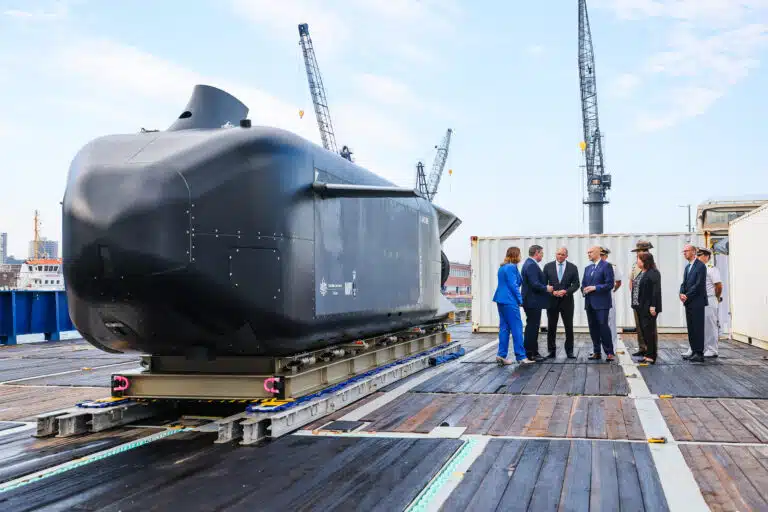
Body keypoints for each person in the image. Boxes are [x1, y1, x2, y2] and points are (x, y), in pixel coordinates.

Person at [492, 247, 534, 365]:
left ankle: (501, 355)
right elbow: (513, 285)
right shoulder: (511, 267)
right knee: (517, 328)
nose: (521, 256)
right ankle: (521, 356)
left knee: (504, 328)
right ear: (516, 255)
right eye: (519, 254)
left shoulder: (502, 267)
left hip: (501, 300)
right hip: (510, 301)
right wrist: (520, 300)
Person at [543, 247, 580, 359]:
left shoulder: (572, 267)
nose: (560, 256)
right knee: (551, 327)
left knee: (569, 327)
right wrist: (552, 292)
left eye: (562, 254)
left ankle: (570, 351)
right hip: (552, 301)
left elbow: (576, 284)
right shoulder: (548, 266)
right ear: (556, 254)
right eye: (558, 254)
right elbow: (543, 284)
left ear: (566, 256)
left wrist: (566, 291)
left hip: (567, 301)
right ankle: (551, 351)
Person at [581, 245, 615, 361]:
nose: (588, 254)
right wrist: (584, 290)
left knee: (603, 327)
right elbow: (583, 284)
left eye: (590, 252)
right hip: (589, 303)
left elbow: (610, 284)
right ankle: (597, 352)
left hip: (602, 303)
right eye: (588, 252)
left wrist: (595, 288)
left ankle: (609, 352)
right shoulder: (587, 268)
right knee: (593, 328)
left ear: (598, 253)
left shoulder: (606, 266)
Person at [521, 245, 553, 362]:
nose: (542, 255)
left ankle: (532, 351)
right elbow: (534, 283)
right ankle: (531, 353)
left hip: (531, 301)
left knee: (532, 326)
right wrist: (546, 288)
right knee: (532, 327)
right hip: (532, 302)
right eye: (541, 253)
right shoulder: (531, 265)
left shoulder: (528, 263)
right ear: (536, 252)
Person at [631, 252, 662, 364]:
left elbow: (656, 291)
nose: (637, 261)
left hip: (649, 307)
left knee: (649, 332)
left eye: (638, 259)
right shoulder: (642, 272)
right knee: (644, 331)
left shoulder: (653, 273)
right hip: (640, 306)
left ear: (645, 261)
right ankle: (648, 353)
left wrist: (653, 306)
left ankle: (651, 356)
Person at [680, 244, 708, 362]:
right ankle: (693, 350)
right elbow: (684, 283)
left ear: (693, 252)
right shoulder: (687, 267)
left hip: (697, 301)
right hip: (689, 302)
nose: (684, 253)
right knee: (691, 328)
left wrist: (687, 295)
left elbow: (699, 284)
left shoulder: (700, 266)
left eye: (686, 251)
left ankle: (699, 353)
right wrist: (681, 293)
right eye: (683, 251)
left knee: (698, 327)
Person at [629, 240, 653, 357]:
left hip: (646, 301)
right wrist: (634, 294)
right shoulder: (635, 264)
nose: (638, 253)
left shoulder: (650, 266)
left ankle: (650, 349)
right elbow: (631, 280)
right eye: (638, 251)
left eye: (641, 251)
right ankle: (642, 347)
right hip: (636, 300)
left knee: (648, 326)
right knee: (639, 326)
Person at [697, 248, 723, 358]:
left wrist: (716, 297)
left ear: (707, 256)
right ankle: (703, 347)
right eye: (697, 255)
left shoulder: (712, 269)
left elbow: (718, 286)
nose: (698, 257)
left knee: (710, 325)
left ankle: (712, 349)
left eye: (700, 255)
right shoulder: (699, 269)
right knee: (702, 325)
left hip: (710, 298)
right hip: (700, 300)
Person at [600, 247, 623, 348]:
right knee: (597, 322)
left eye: (602, 255)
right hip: (596, 298)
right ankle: (598, 347)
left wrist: (612, 291)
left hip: (609, 297)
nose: (601, 257)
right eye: (599, 255)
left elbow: (618, 282)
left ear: (606, 256)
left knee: (611, 322)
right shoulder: (592, 267)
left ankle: (612, 346)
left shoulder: (612, 267)